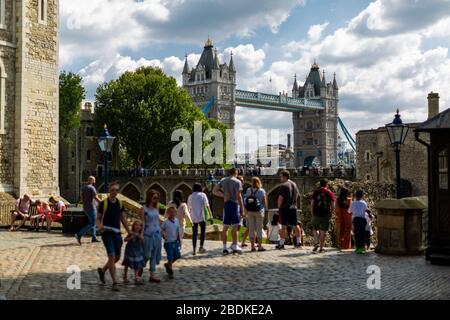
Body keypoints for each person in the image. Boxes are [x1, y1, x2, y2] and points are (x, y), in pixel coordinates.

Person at [96, 182, 131, 292]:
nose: (114, 192)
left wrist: (129, 231)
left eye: (116, 190)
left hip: (117, 233)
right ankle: (115, 282)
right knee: (111, 256)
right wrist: (99, 226)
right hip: (106, 233)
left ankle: (103, 270)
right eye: (112, 190)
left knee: (117, 257)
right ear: (109, 191)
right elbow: (98, 218)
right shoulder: (103, 203)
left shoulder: (120, 204)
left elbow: (123, 218)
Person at [213, 168, 244, 255]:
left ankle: (224, 247)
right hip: (234, 205)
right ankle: (234, 245)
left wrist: (223, 195)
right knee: (234, 227)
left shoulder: (223, 180)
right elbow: (239, 197)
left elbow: (214, 191)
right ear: (236, 173)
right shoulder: (237, 182)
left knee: (225, 227)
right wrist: (242, 209)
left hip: (226, 205)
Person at [141, 189, 163, 283]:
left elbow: (158, 221)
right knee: (146, 254)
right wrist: (141, 234)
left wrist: (163, 232)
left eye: (157, 198)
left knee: (154, 255)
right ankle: (141, 266)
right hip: (147, 234)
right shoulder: (143, 209)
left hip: (157, 234)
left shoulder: (156, 209)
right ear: (149, 197)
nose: (155, 199)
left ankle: (152, 275)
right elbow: (142, 222)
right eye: (154, 197)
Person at [276, 170, 302, 250]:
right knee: (295, 225)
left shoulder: (284, 186)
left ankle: (281, 243)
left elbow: (280, 198)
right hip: (293, 207)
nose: (280, 178)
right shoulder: (294, 184)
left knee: (283, 226)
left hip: (284, 208)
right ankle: (298, 242)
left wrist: (279, 207)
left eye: (281, 176)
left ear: (285, 176)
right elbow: (297, 195)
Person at [311, 179, 335, 253]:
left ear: (320, 184)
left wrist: (312, 212)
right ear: (326, 184)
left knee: (314, 228)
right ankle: (321, 248)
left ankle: (316, 241)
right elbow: (333, 205)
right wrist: (331, 213)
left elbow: (312, 203)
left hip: (316, 213)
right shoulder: (329, 193)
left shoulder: (316, 192)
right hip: (325, 214)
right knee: (323, 231)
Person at [76, 176, 102, 245]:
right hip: (91, 207)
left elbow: (81, 198)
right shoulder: (91, 188)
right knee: (92, 223)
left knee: (92, 222)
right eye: (94, 180)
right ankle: (79, 234)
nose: (95, 182)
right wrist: (102, 203)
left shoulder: (84, 188)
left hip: (85, 207)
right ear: (92, 180)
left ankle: (94, 237)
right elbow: (95, 197)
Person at [187, 184, 211, 255]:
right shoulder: (203, 195)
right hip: (202, 216)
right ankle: (201, 247)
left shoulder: (190, 196)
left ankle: (194, 249)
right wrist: (210, 215)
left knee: (194, 233)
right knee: (203, 232)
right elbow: (207, 205)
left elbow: (188, 207)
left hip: (193, 217)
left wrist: (189, 217)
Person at [244, 177, 267, 252]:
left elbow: (246, 201)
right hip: (259, 211)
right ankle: (260, 246)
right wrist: (262, 208)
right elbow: (264, 202)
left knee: (251, 229)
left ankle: (252, 246)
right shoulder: (261, 191)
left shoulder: (248, 190)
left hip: (250, 211)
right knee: (259, 229)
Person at [162, 207, 182, 280]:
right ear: (168, 213)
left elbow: (177, 231)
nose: (172, 214)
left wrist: (179, 240)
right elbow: (161, 229)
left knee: (177, 255)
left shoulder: (176, 221)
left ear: (175, 213)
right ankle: (170, 271)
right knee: (170, 257)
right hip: (168, 243)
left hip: (175, 242)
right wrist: (163, 235)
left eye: (173, 212)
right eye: (170, 212)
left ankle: (167, 265)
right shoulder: (165, 222)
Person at [122, 221, 145, 285]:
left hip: (138, 251)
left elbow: (143, 243)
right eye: (136, 225)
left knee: (136, 264)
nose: (137, 226)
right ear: (133, 226)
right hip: (130, 250)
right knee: (127, 263)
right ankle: (125, 275)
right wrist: (130, 238)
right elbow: (125, 240)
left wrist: (142, 239)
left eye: (139, 225)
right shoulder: (131, 233)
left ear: (141, 227)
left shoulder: (141, 234)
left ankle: (136, 276)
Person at [349, 190, 371, 254]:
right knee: (362, 234)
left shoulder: (353, 203)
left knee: (357, 234)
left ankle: (358, 248)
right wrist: (370, 214)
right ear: (362, 196)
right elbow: (367, 210)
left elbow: (349, 212)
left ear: (355, 195)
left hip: (356, 220)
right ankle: (361, 247)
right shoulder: (364, 203)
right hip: (362, 220)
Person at [237, 176, 250, 248]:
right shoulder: (237, 189)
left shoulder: (241, 190)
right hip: (238, 210)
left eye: (243, 181)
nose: (242, 182)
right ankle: (236, 242)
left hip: (243, 210)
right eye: (241, 181)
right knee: (237, 226)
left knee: (243, 226)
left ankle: (241, 242)